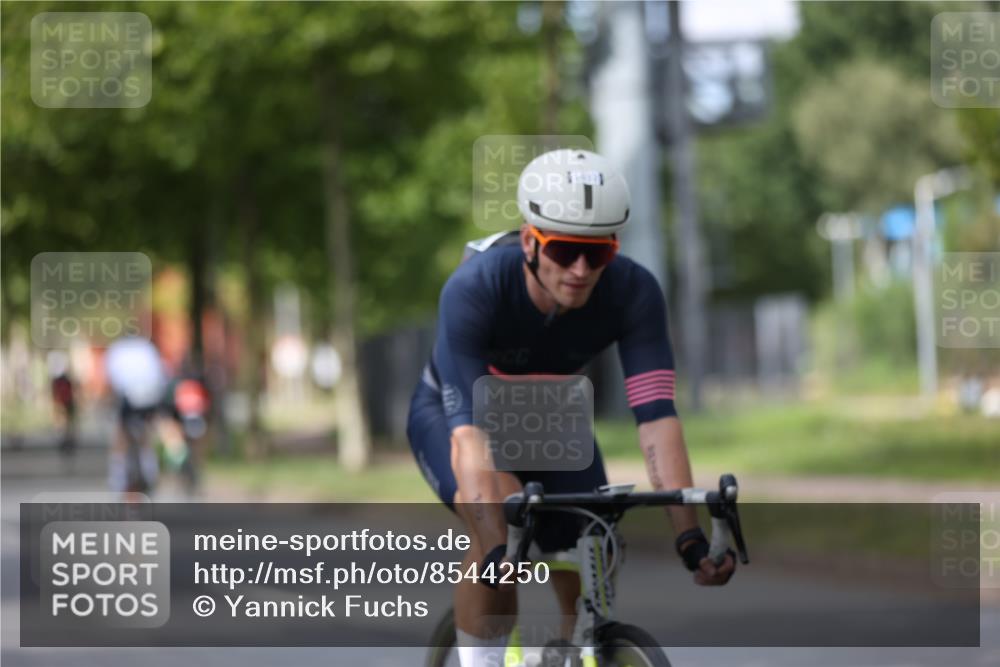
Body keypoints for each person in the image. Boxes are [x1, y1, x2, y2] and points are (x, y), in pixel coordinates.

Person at [407, 149, 735, 666]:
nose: (581, 270)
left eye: (598, 254)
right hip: (461, 420)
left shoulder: (634, 292)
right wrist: (497, 545)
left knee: (593, 545)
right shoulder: (476, 289)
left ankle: (582, 652)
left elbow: (656, 419)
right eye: (563, 251)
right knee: (506, 532)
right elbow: (469, 441)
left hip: (551, 418)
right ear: (530, 241)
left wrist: (689, 538)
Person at [104, 335, 169, 493]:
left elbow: (111, 380)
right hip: (150, 398)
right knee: (146, 437)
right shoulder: (148, 348)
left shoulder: (116, 350)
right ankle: (151, 472)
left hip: (127, 399)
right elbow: (160, 376)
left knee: (121, 436)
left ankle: (117, 478)